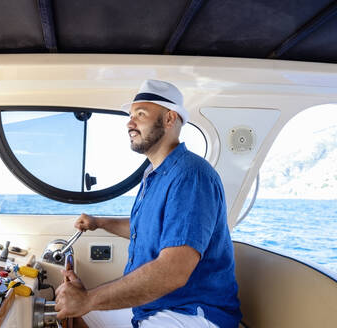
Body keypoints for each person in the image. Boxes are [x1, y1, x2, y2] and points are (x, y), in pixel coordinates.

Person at [55, 79, 242, 328]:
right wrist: (99, 223)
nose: (129, 123)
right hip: (155, 306)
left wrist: (88, 298)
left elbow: (173, 271)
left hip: (191, 312)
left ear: (169, 119)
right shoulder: (154, 175)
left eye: (140, 114)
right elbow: (144, 228)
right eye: (130, 115)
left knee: (85, 307)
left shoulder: (190, 175)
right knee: (78, 316)